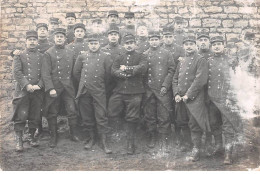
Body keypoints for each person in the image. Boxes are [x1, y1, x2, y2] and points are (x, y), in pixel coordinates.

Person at [172, 35, 210, 162]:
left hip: (195, 98)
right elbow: (175, 78)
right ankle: (188, 145)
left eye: (191, 44)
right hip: (181, 98)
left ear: (196, 46)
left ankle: (197, 149)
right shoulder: (181, 61)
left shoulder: (200, 60)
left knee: (194, 124)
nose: (188, 46)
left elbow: (201, 80)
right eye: (186, 44)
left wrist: (188, 95)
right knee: (182, 122)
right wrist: (176, 94)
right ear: (183, 46)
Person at [108, 34, 147, 154]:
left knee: (132, 117)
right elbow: (113, 70)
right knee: (111, 109)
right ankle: (117, 134)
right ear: (123, 45)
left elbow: (142, 69)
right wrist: (125, 74)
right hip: (120, 90)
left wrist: (126, 68)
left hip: (135, 92)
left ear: (135, 44)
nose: (129, 45)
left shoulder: (142, 56)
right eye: (127, 43)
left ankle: (131, 143)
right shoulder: (119, 57)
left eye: (131, 43)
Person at [73, 34, 112, 154]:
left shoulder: (105, 57)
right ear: (88, 44)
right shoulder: (82, 56)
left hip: (99, 91)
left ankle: (104, 141)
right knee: (87, 116)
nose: (93, 46)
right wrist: (85, 83)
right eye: (91, 43)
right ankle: (91, 138)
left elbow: (108, 76)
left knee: (101, 116)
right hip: (85, 91)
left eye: (96, 43)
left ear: (99, 44)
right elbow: (76, 73)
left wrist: (99, 85)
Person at [42, 28, 79, 148]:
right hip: (55, 87)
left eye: (61, 37)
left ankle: (73, 133)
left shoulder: (70, 52)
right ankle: (54, 136)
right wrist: (50, 88)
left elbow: (75, 71)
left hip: (68, 87)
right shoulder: (49, 53)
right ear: (53, 38)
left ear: (65, 39)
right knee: (52, 112)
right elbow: (45, 73)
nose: (59, 38)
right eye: (57, 36)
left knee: (72, 110)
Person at [208, 35, 242, 164]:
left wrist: (231, 97)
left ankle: (228, 154)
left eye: (219, 44)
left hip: (226, 99)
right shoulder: (209, 61)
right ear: (211, 47)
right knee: (214, 123)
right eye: (214, 44)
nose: (216, 46)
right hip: (211, 98)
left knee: (228, 127)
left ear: (223, 45)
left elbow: (237, 80)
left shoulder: (231, 61)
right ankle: (219, 147)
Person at [143, 30, 175, 151]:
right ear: (149, 41)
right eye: (152, 40)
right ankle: (152, 137)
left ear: (160, 40)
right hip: (149, 90)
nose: (154, 42)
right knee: (150, 115)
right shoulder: (145, 54)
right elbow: (143, 73)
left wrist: (165, 86)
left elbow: (172, 70)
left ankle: (164, 139)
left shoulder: (167, 54)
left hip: (162, 90)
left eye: (156, 40)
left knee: (164, 116)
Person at [11, 30, 44, 152]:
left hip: (36, 91)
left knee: (34, 115)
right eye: (30, 40)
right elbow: (17, 73)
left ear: (37, 41)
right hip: (23, 91)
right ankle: (19, 139)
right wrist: (27, 85)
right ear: (26, 41)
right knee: (20, 115)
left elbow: (45, 74)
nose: (32, 42)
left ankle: (31, 136)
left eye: (34, 40)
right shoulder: (19, 55)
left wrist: (39, 85)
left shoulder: (42, 56)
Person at [196, 32, 222, 156]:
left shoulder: (214, 55)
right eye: (200, 40)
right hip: (199, 93)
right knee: (201, 119)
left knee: (213, 119)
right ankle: (205, 143)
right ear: (197, 43)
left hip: (213, 92)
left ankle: (217, 144)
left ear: (209, 42)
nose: (203, 42)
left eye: (205, 40)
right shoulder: (195, 56)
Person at [161, 26, 185, 148]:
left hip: (177, 83)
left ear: (173, 37)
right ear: (162, 38)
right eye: (166, 37)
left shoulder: (180, 49)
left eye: (170, 37)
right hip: (164, 83)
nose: (168, 39)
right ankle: (166, 135)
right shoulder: (160, 50)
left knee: (177, 110)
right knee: (166, 109)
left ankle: (178, 134)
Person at [102, 24, 124, 102]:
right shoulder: (103, 50)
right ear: (108, 36)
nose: (113, 36)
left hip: (119, 79)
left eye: (115, 35)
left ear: (118, 37)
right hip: (106, 78)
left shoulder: (123, 49)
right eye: (111, 35)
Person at [67, 23, 89, 93]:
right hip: (71, 75)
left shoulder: (88, 46)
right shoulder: (68, 46)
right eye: (77, 31)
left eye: (81, 31)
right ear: (74, 33)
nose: (79, 33)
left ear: (84, 33)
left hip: (84, 74)